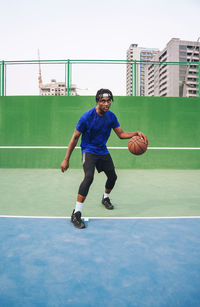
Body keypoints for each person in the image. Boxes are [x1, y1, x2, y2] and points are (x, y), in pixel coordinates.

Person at [61, 88, 148, 229]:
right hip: (89, 151)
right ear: (97, 101)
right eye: (103, 101)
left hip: (102, 151)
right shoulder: (87, 117)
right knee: (89, 177)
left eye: (108, 101)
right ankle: (76, 213)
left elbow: (121, 134)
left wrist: (136, 133)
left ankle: (105, 198)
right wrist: (66, 159)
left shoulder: (111, 117)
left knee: (113, 177)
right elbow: (75, 138)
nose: (106, 104)